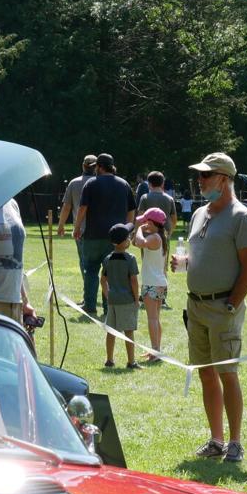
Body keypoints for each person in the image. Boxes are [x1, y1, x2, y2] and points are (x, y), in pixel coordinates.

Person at [173, 152, 247, 463]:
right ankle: (216, 439)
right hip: (195, 305)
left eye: (206, 175)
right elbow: (202, 254)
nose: (200, 181)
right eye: (199, 175)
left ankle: (235, 441)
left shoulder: (240, 216)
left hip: (223, 306)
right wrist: (183, 263)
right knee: (206, 374)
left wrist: (233, 304)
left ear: (224, 179)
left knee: (227, 373)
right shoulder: (199, 214)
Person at [74, 153, 136, 316]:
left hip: (93, 236)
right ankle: (109, 307)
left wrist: (76, 227)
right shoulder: (124, 184)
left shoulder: (91, 184)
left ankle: (90, 305)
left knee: (91, 270)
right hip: (115, 238)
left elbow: (82, 209)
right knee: (111, 273)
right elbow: (131, 210)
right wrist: (127, 230)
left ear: (99, 167)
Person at [100, 223, 141, 369]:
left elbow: (103, 279)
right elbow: (134, 280)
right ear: (124, 242)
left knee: (111, 331)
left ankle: (109, 360)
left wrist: (107, 294)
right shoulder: (130, 258)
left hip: (112, 301)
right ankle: (131, 362)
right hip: (127, 300)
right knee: (128, 331)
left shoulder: (108, 258)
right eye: (129, 237)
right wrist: (137, 299)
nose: (130, 239)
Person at [133, 207, 168, 360]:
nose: (144, 225)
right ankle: (156, 349)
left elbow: (139, 242)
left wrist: (139, 228)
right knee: (156, 318)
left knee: (152, 319)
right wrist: (139, 229)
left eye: (146, 222)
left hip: (152, 283)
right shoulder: (160, 236)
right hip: (158, 282)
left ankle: (155, 351)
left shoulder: (154, 238)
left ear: (152, 223)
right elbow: (136, 242)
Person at [57, 154, 99, 280]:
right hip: (102, 230)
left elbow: (66, 207)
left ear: (83, 165)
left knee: (84, 262)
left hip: (81, 230)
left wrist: (61, 226)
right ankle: (106, 297)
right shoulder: (102, 183)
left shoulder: (74, 183)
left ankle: (87, 295)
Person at [137, 171, 178, 241]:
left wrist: (136, 235)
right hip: (164, 236)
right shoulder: (170, 199)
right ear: (163, 184)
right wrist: (170, 233)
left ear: (149, 184)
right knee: (164, 252)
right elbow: (174, 220)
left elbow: (139, 218)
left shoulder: (144, 198)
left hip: (147, 236)